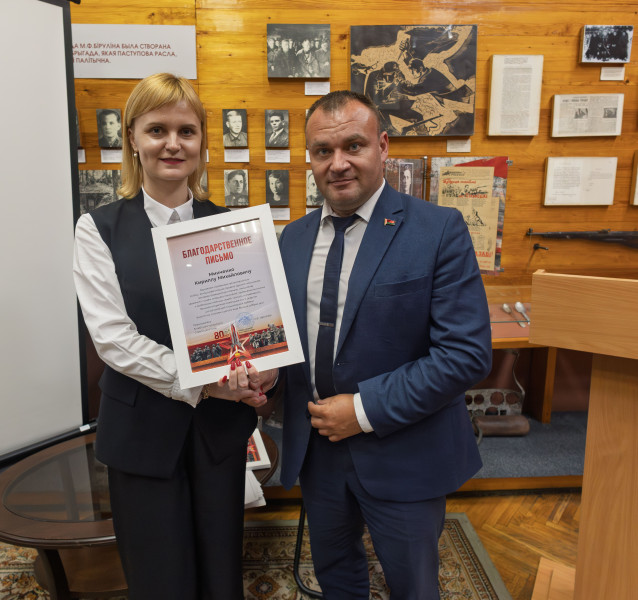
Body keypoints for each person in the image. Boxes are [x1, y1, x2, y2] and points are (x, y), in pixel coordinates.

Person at [277, 90, 492, 599]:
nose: (338, 163)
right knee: (337, 577)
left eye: (353, 145)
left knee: (413, 586)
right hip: (319, 450)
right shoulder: (291, 238)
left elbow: (465, 355)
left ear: (383, 146)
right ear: (310, 158)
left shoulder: (438, 230)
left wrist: (362, 410)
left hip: (405, 450)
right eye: (323, 151)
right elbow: (286, 339)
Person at [73, 73, 276, 600]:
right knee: (159, 580)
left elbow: (254, 327)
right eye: (157, 129)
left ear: (202, 141)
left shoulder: (232, 226)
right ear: (132, 139)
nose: (172, 143)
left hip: (218, 435)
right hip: (141, 435)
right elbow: (112, 339)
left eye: (186, 131)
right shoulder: (98, 229)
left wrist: (263, 370)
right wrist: (204, 382)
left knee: (220, 575)